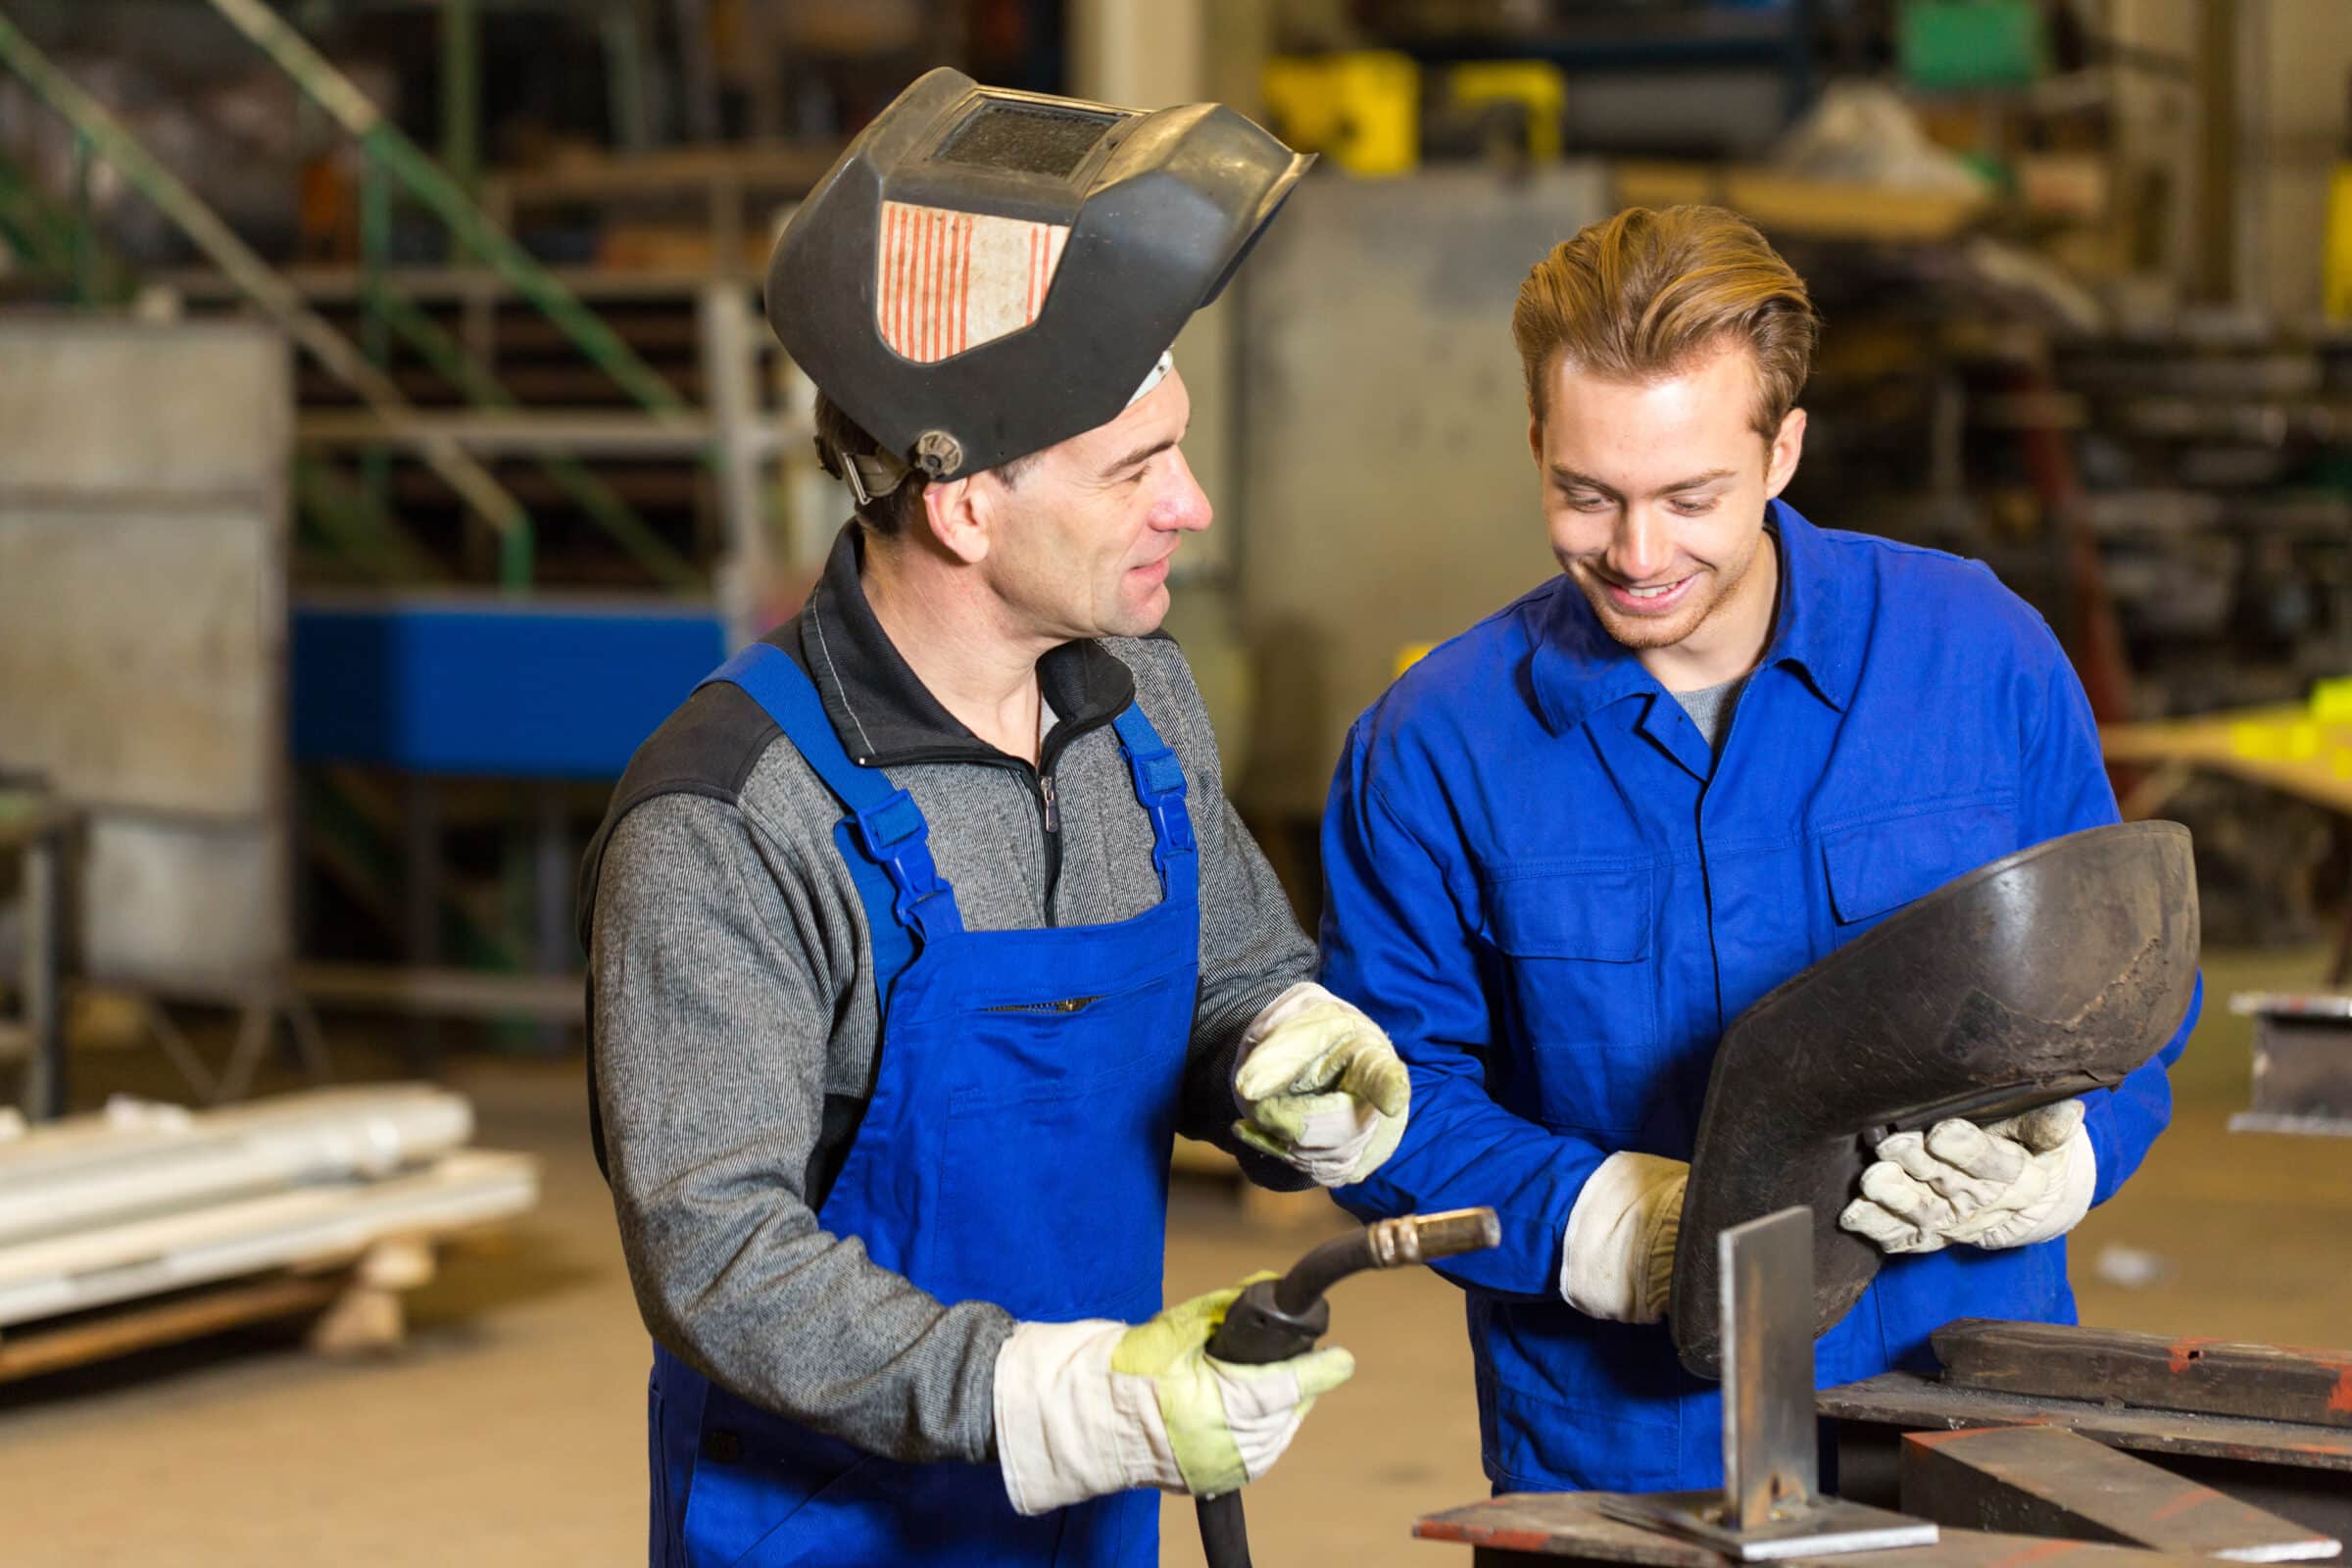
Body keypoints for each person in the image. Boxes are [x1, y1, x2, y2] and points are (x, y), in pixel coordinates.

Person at [578, 70, 1413, 1566]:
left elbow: (1228, 974)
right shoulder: (729, 818)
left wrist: (1288, 1052)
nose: (1194, 507)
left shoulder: (1140, 708)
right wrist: (1048, 1395)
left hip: (1093, 1497)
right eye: (1140, 470)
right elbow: (717, 1253)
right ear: (965, 507)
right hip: (829, 1527)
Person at [1316, 205, 2200, 1494]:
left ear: (1784, 449)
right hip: (1629, 1456)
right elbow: (1373, 1100)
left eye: (1690, 496)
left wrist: (2069, 1161)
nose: (1636, 553)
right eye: (1586, 494)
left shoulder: (1977, 659)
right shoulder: (1437, 742)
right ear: (1534, 445)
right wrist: (1596, 1225)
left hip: (1968, 1426)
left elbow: (2125, 1001)